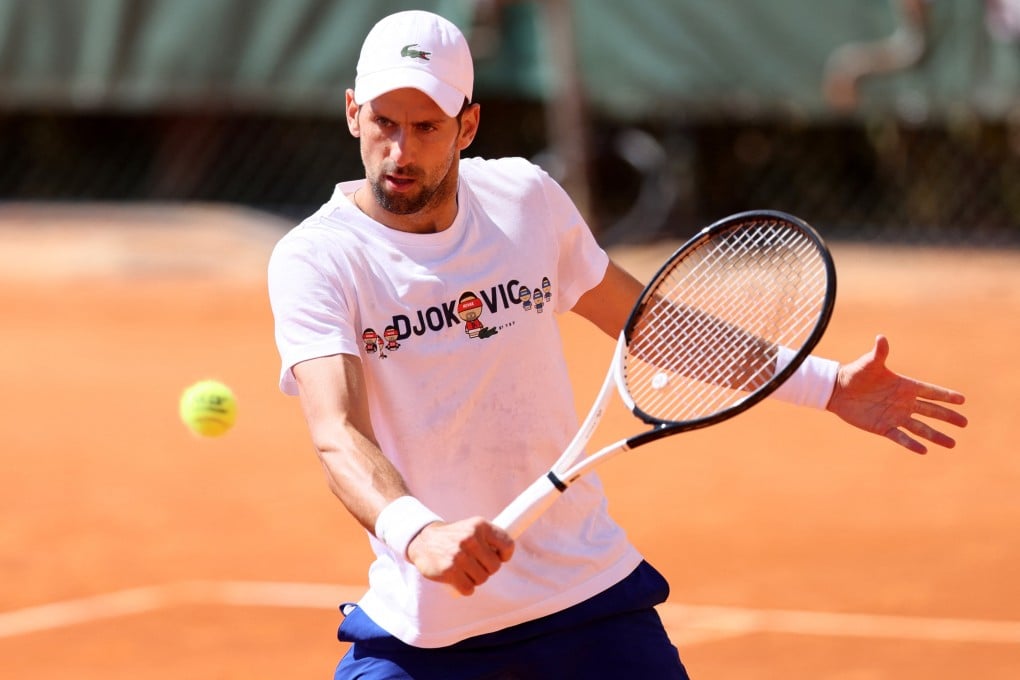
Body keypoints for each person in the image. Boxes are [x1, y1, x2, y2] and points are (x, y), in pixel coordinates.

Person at [267, 10, 968, 679]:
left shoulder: (525, 201)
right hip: (428, 628)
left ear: (468, 125)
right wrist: (419, 535)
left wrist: (824, 385)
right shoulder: (319, 259)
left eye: (426, 126)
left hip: (584, 598)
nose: (401, 150)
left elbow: (653, 325)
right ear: (353, 110)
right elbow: (337, 432)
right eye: (385, 123)